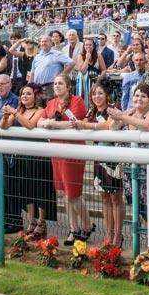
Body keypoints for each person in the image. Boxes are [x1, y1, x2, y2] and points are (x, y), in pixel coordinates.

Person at [38, 74, 93, 245]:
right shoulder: (51, 103)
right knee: (65, 193)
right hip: (57, 152)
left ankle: (85, 225)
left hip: (72, 151)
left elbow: (74, 123)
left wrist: (51, 123)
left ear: (68, 86)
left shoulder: (77, 101)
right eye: (55, 83)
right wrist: (48, 122)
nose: (57, 86)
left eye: (60, 83)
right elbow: (40, 121)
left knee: (73, 193)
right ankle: (75, 227)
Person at [72, 81, 125, 246]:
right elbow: (81, 123)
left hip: (113, 157)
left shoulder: (113, 107)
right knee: (104, 197)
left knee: (116, 197)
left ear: (106, 95)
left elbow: (109, 125)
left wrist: (86, 125)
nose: (97, 97)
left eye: (100, 93)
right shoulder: (91, 110)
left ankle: (118, 235)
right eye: (94, 94)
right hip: (98, 157)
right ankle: (108, 234)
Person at [1, 82, 57, 239]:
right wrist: (5, 116)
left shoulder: (40, 111)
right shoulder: (17, 111)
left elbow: (30, 125)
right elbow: (4, 127)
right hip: (23, 155)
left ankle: (41, 222)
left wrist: (14, 112)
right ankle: (31, 221)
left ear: (35, 96)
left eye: (28, 94)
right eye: (23, 94)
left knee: (40, 189)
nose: (25, 96)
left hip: (39, 156)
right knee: (27, 189)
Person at [107, 82, 149, 226]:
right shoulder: (129, 112)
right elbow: (112, 128)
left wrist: (122, 116)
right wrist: (116, 118)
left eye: (143, 96)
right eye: (136, 95)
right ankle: (148, 244)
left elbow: (147, 125)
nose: (139, 98)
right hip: (131, 170)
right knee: (139, 210)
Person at [76, 37, 106, 109]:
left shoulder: (98, 56)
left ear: (93, 46)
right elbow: (83, 70)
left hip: (94, 80)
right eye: (86, 45)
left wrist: (100, 77)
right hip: (82, 80)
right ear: (84, 46)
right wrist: (86, 59)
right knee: (82, 97)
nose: (88, 46)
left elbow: (104, 69)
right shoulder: (80, 56)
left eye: (90, 45)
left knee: (93, 98)